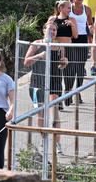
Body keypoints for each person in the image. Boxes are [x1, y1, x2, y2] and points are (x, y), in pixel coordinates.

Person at [23, 22, 68, 152]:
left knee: (55, 113)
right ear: (43, 30)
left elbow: (61, 64)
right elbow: (26, 62)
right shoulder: (36, 44)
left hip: (54, 81)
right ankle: (44, 139)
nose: (52, 32)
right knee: (41, 112)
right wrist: (39, 56)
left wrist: (64, 63)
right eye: (50, 29)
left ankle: (57, 142)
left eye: (54, 30)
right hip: (37, 81)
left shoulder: (59, 46)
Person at [48, 0, 78, 108]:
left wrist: (72, 25)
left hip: (69, 48)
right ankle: (58, 99)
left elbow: (75, 36)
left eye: (70, 8)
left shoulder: (72, 19)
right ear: (61, 8)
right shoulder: (53, 19)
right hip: (57, 49)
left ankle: (68, 92)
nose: (70, 10)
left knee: (69, 74)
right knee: (56, 75)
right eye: (68, 8)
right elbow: (48, 32)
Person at [66, 0, 92, 105]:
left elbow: (90, 25)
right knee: (70, 67)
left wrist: (92, 33)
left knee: (80, 68)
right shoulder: (68, 9)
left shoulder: (87, 9)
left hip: (82, 39)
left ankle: (78, 92)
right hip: (71, 39)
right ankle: (68, 92)